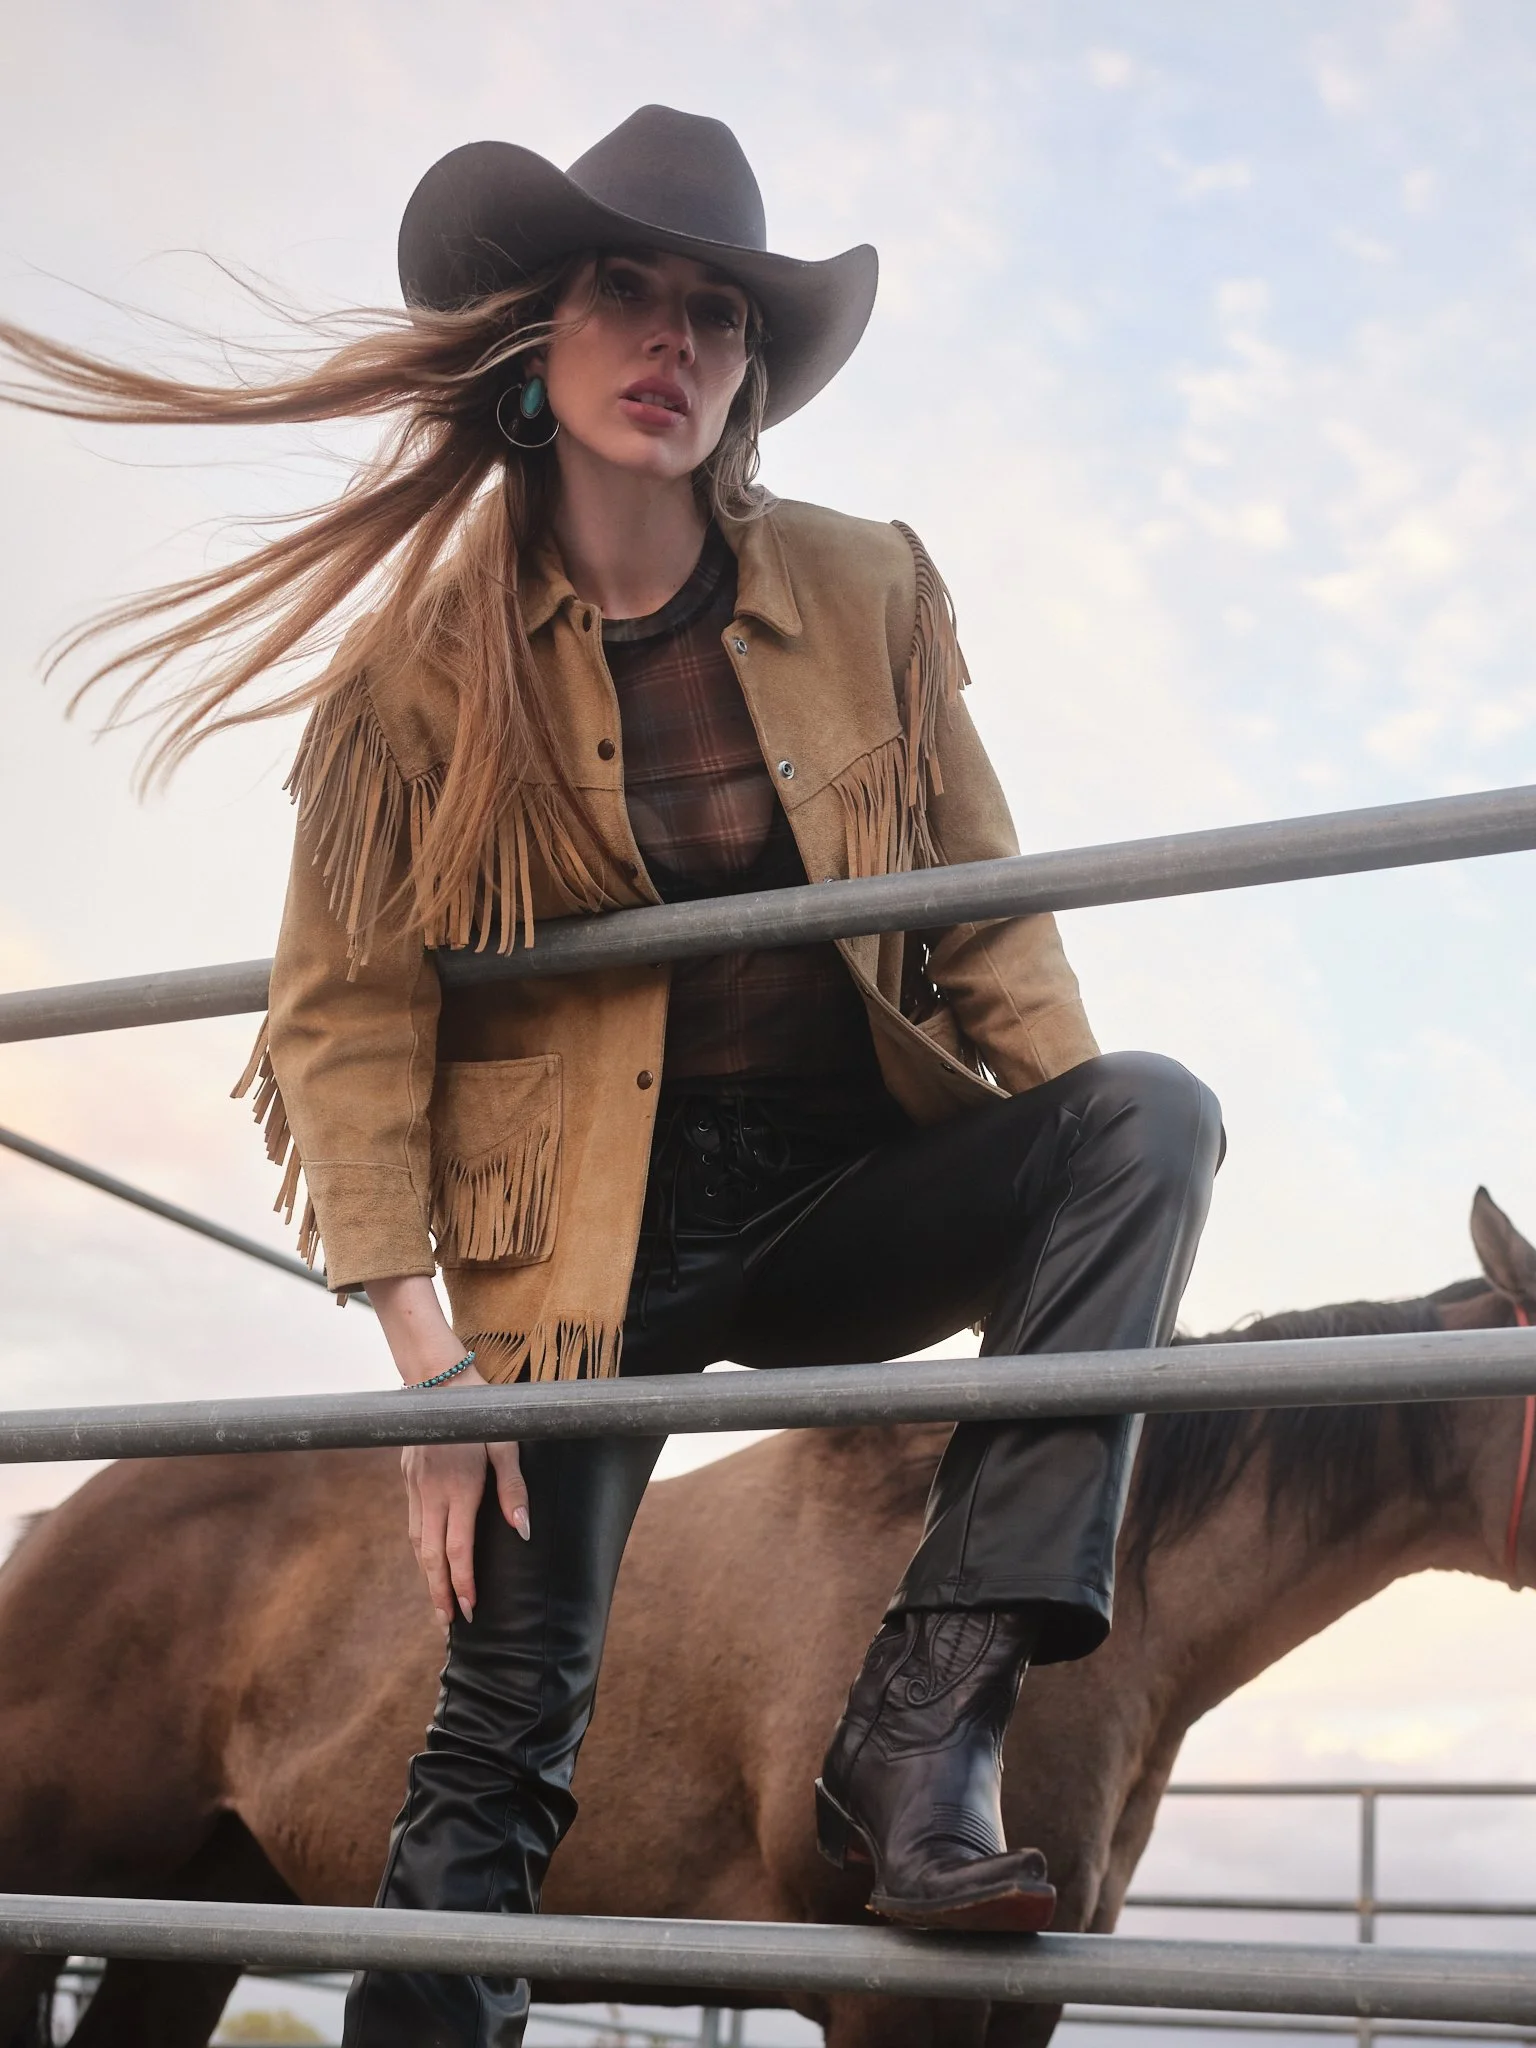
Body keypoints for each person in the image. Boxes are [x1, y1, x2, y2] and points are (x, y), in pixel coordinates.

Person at [1, 105, 1222, 2048]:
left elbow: (995, 926)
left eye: (719, 316)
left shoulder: (872, 595)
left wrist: (1098, 1315)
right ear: (537, 337)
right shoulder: (414, 682)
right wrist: (428, 1366)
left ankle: (930, 1718)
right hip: (584, 1250)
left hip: (842, 1189)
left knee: (1152, 1116)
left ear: (748, 374)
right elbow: (342, 1018)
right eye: (625, 293)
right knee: (499, 1739)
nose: (675, 343)